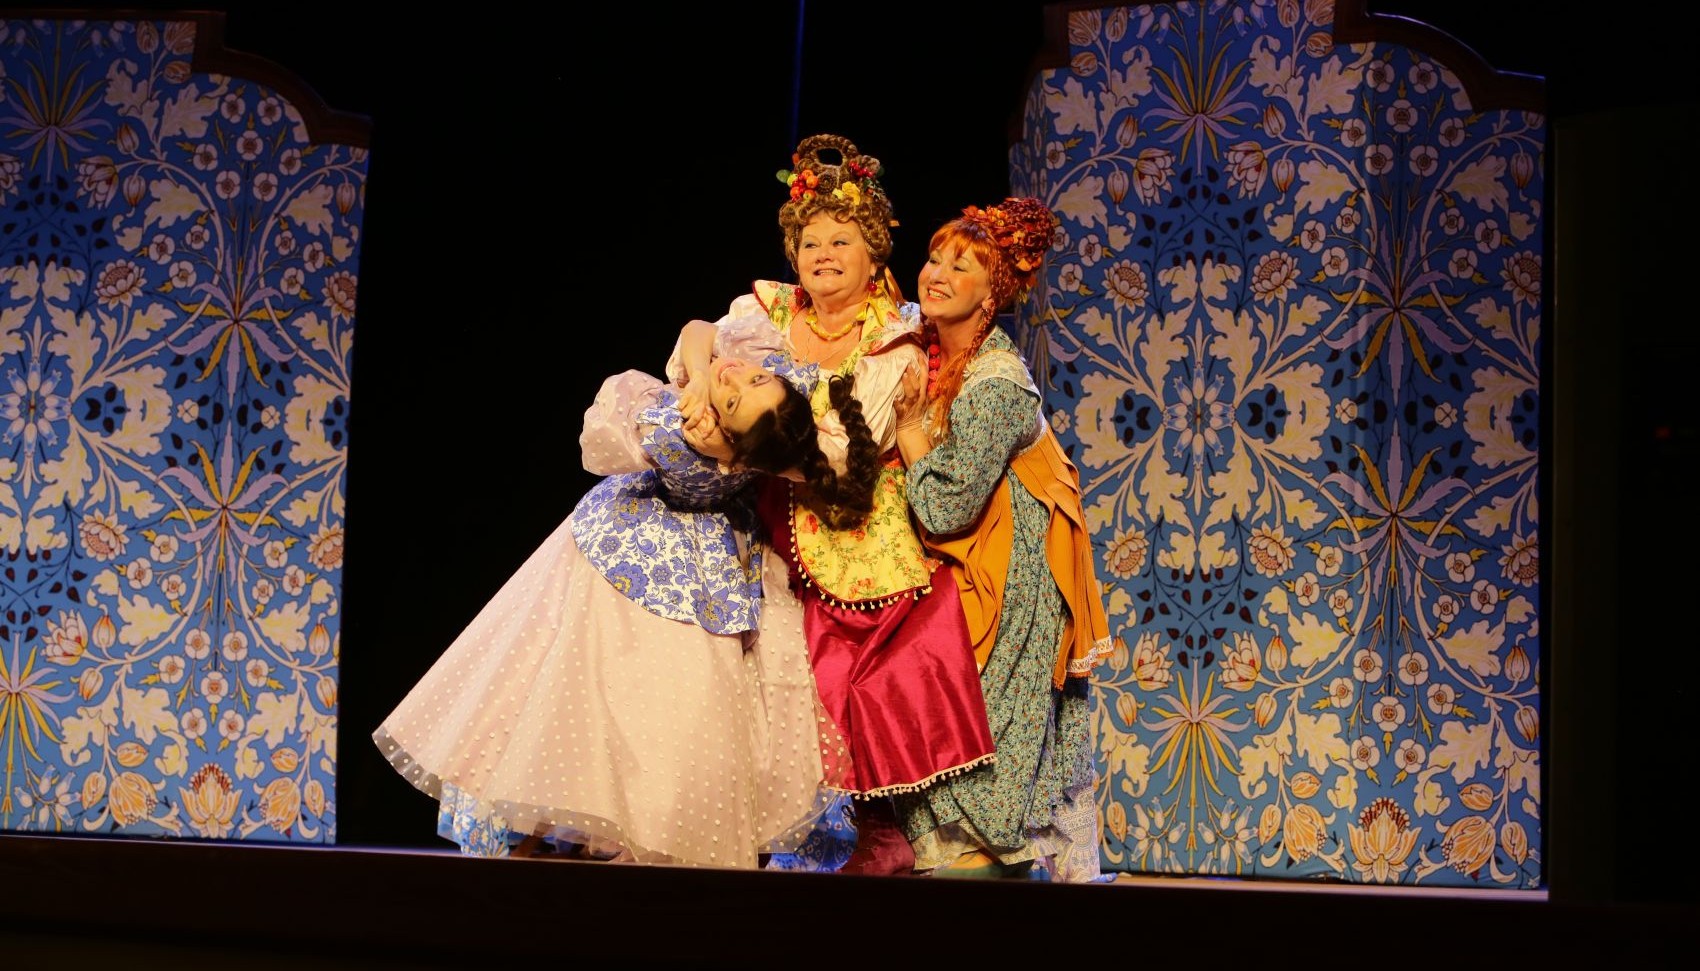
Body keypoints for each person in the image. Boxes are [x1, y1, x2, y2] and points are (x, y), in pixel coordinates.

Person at [372, 313, 881, 869]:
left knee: (650, 702)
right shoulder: (773, 405)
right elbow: (698, 330)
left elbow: (625, 412)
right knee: (569, 679)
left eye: (735, 399)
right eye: (751, 380)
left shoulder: (685, 434)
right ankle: (541, 837)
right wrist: (701, 376)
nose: (734, 375)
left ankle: (643, 841)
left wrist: (692, 395)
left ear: (735, 450)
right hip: (625, 549)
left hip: (678, 563)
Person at [708, 134, 996, 875]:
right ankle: (756, 827)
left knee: (847, 673)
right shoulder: (766, 312)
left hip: (852, 518)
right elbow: (708, 358)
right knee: (755, 671)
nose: (824, 254)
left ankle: (879, 828)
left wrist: (762, 439)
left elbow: (844, 450)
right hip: (763, 515)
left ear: (873, 257)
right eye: (810, 243)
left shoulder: (893, 337)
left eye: (841, 241)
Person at [888, 197, 1112, 881]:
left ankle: (988, 867)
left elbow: (947, 506)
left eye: (961, 267)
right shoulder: (934, 349)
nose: (937, 274)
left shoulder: (997, 385)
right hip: (974, 557)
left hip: (1013, 572)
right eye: (934, 259)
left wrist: (910, 433)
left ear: (992, 295)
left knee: (985, 720)